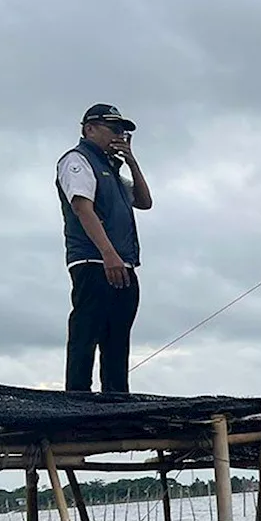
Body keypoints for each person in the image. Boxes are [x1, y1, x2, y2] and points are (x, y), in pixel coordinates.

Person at [56, 104, 152, 393]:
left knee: (117, 339)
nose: (119, 136)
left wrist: (132, 161)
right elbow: (82, 207)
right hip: (93, 261)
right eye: (113, 129)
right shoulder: (78, 160)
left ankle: (116, 400)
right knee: (86, 335)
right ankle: (77, 403)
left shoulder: (113, 170)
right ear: (90, 129)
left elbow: (144, 201)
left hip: (124, 264)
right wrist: (108, 254)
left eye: (122, 131)